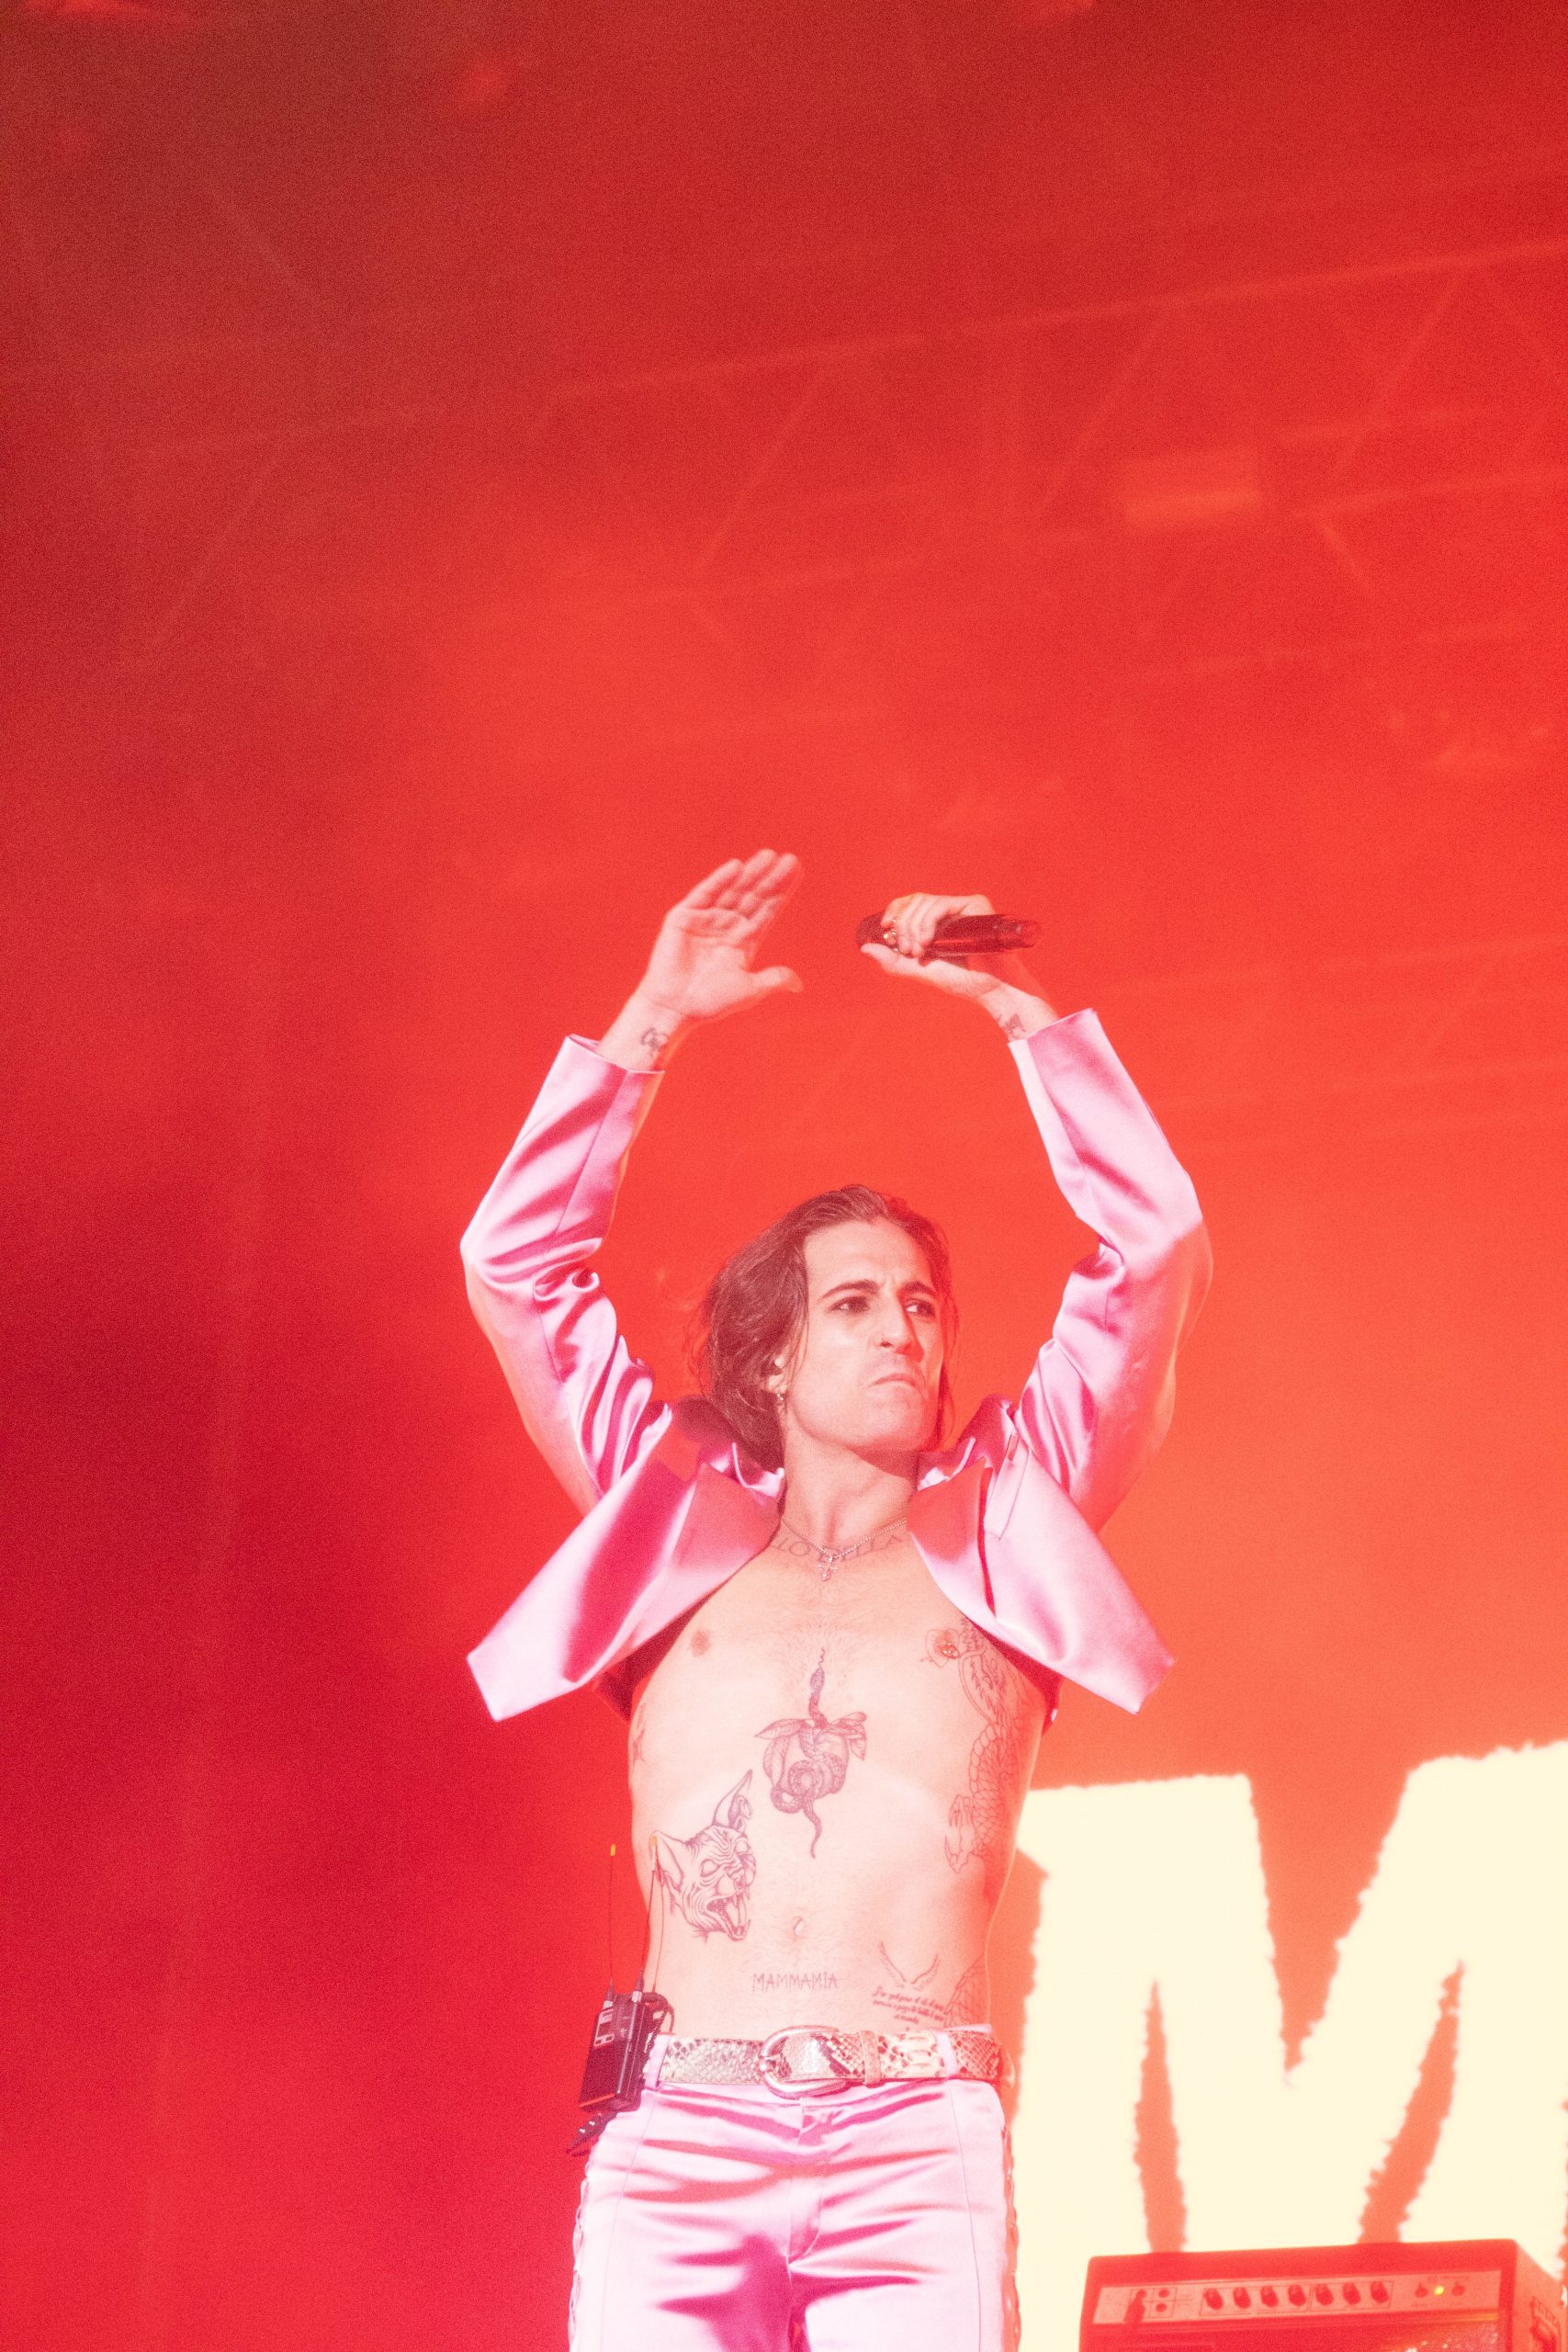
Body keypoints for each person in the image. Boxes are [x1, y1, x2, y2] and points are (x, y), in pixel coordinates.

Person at [460, 848, 1211, 2352]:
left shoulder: (1010, 1514)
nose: (901, 1333)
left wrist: (1020, 1015)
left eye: (921, 1305)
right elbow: (516, 1268)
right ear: (774, 1358)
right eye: (854, 1304)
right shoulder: (663, 1516)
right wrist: (651, 1023)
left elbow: (1154, 1251)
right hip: (680, 2139)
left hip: (914, 2141)